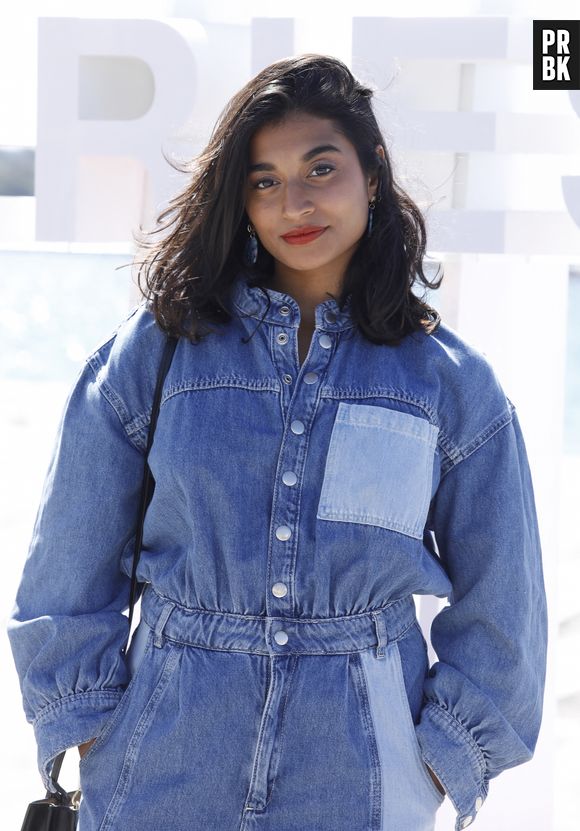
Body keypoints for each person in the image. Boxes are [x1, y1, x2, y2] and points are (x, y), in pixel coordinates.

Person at [7, 54, 547, 831]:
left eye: (320, 168)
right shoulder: (160, 353)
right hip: (164, 761)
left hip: (360, 776)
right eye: (264, 180)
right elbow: (66, 557)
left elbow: (508, 609)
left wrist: (435, 759)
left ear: (373, 172)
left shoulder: (450, 385)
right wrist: (90, 723)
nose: (293, 201)